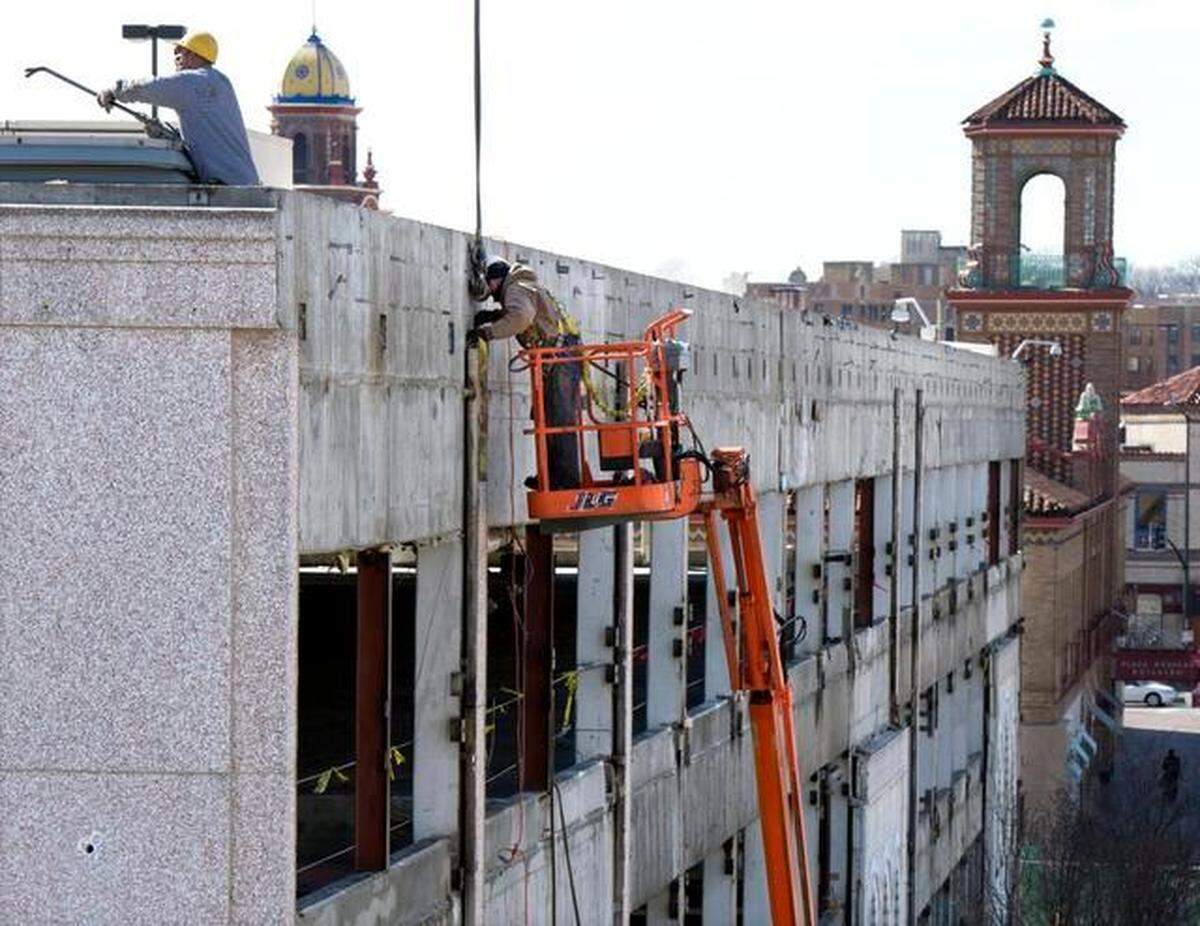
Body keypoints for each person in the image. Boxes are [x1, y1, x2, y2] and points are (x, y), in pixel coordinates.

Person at [469, 257, 581, 489]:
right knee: (550, 418)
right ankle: (554, 478)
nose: (490, 292)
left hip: (559, 358)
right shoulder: (522, 286)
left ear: (497, 278)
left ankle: (564, 481)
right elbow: (525, 314)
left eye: (490, 285)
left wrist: (488, 332)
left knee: (557, 419)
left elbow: (521, 317)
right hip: (559, 356)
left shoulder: (515, 288)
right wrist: (493, 316)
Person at [97, 31, 259, 186]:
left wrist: (114, 91)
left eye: (180, 52)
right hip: (244, 183)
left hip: (229, 189)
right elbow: (209, 135)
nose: (176, 59)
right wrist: (169, 135)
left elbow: (149, 87)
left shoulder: (194, 82)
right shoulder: (220, 82)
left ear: (194, 54)